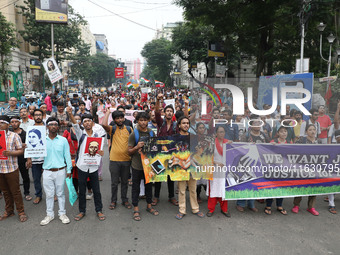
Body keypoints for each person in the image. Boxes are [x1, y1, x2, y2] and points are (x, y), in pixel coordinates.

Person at [67, 107, 106, 221]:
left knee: (97, 190)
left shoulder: (97, 135)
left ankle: (99, 210)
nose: (87, 123)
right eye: (85, 122)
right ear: (83, 124)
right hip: (82, 166)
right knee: (82, 190)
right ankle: (81, 211)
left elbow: (100, 151)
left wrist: (101, 152)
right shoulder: (81, 134)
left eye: (89, 121)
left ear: (92, 122)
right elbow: (75, 124)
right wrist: (70, 114)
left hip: (93, 167)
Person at [40, 117, 72, 226]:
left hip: (60, 170)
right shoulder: (42, 140)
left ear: (58, 127)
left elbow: (67, 155)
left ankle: (62, 213)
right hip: (47, 171)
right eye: (51, 124)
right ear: (47, 126)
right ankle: (49, 214)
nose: (53, 126)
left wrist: (69, 169)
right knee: (49, 194)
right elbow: (36, 154)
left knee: (60, 193)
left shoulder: (63, 140)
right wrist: (28, 148)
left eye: (55, 124)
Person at [128, 111, 158, 221]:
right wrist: (136, 148)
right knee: (135, 187)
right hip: (136, 165)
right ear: (137, 121)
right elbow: (129, 151)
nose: (143, 122)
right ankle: (136, 208)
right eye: (141, 120)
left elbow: (155, 148)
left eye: (145, 120)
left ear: (148, 120)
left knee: (149, 186)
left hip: (148, 165)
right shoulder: (134, 134)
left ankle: (149, 206)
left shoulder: (151, 133)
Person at [102, 109, 132, 210]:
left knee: (124, 182)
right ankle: (113, 200)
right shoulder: (112, 129)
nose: (119, 120)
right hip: (114, 160)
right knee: (114, 183)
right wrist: (107, 113)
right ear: (114, 120)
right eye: (117, 118)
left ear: (124, 118)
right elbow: (103, 124)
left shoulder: (129, 129)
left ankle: (124, 199)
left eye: (121, 118)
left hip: (126, 160)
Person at [175, 116, 204, 220]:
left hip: (192, 166)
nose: (186, 125)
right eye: (183, 123)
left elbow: (197, 152)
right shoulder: (175, 138)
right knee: (182, 190)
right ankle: (182, 210)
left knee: (193, 189)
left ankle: (195, 209)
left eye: (187, 123)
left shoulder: (194, 137)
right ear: (179, 125)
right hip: (181, 167)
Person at [153, 93, 180, 207]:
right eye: (167, 111)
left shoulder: (175, 125)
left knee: (170, 176)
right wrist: (158, 100)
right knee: (159, 175)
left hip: (171, 154)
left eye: (170, 111)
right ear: (164, 113)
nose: (169, 112)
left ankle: (171, 197)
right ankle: (156, 197)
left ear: (173, 114)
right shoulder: (161, 122)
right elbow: (156, 112)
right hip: (160, 153)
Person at [0, 115, 28, 222]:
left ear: (8, 125)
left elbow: (21, 151)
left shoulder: (14, 136)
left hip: (11, 168)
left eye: (2, 123)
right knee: (5, 191)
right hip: (0, 169)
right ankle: (9, 211)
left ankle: (21, 211)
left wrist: (10, 153)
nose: (0, 125)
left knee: (15, 191)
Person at [292, 124, 319, 216]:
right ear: (306, 131)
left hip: (314, 168)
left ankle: (311, 207)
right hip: (302, 167)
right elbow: (293, 150)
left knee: (313, 187)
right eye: (310, 129)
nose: (312, 131)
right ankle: (296, 205)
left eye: (314, 129)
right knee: (300, 185)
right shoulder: (301, 140)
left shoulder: (318, 141)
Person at [264, 126, 291, 216]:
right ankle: (268, 206)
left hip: (284, 168)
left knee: (282, 186)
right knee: (271, 186)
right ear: (278, 133)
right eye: (282, 131)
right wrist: (272, 147)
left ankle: (279, 205)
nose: (284, 133)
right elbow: (266, 152)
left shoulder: (290, 143)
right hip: (274, 168)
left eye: (285, 131)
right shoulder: (273, 142)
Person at [206, 126, 231, 217]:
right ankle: (211, 209)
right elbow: (206, 156)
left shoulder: (228, 143)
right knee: (213, 189)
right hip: (214, 170)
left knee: (223, 189)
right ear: (216, 133)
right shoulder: (211, 143)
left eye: (223, 132)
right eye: (220, 132)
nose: (221, 133)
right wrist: (216, 162)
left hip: (224, 171)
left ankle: (224, 209)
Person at [26, 109, 45, 205]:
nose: (38, 117)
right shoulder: (30, 129)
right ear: (33, 117)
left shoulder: (47, 127)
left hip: (47, 158)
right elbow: (28, 145)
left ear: (43, 116)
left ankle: (52, 194)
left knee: (49, 178)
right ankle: (38, 195)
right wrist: (29, 158)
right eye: (36, 115)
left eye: (40, 115)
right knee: (36, 178)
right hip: (35, 159)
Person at [10, 116, 32, 201]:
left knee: (25, 176)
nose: (14, 123)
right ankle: (14, 193)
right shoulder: (9, 133)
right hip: (12, 159)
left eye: (16, 121)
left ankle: (27, 193)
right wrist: (19, 145)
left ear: (19, 122)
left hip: (23, 158)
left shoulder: (25, 133)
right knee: (13, 178)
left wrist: (28, 159)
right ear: (10, 124)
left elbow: (28, 147)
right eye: (12, 122)